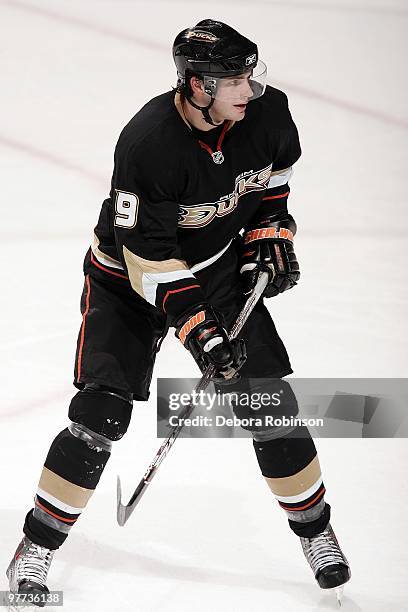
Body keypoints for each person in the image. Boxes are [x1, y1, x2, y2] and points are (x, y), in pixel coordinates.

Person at [7, 19, 350, 605]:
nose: (250, 89)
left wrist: (267, 235)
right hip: (128, 276)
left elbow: (273, 181)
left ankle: (317, 535)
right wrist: (202, 336)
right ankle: (33, 552)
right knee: (100, 414)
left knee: (271, 405)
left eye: (251, 74)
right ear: (196, 85)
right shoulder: (148, 145)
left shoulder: (267, 112)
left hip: (214, 264)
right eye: (234, 80)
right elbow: (150, 263)